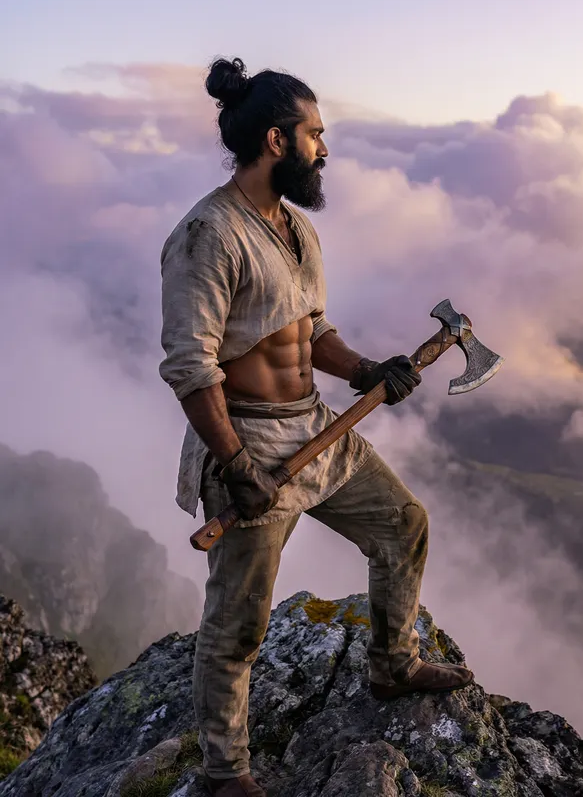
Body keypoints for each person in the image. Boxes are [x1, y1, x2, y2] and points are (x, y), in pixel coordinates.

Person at [158, 57, 474, 797]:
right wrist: (233, 461)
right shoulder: (208, 234)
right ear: (277, 140)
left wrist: (366, 370)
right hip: (250, 446)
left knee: (404, 525)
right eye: (316, 134)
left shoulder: (296, 231)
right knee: (238, 620)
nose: (325, 149)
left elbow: (310, 332)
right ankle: (224, 773)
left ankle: (393, 666)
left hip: (317, 432)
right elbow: (189, 365)